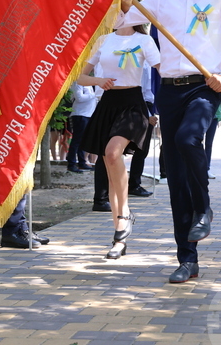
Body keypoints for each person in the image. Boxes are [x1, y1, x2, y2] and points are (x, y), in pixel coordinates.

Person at [118, 0, 221, 283]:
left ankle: (204, 205)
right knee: (176, 178)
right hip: (169, 90)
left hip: (204, 86)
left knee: (188, 138)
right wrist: (125, 1)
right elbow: (124, 20)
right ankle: (188, 259)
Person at [78, 23, 160, 260]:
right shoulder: (103, 39)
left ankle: (124, 216)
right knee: (110, 167)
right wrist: (99, 81)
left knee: (113, 153)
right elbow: (81, 77)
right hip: (107, 104)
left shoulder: (145, 41)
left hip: (133, 103)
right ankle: (119, 234)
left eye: (123, 8)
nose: (119, 14)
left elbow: (164, 69)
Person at [127, 63, 157, 197]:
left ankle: (134, 183)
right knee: (137, 148)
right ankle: (132, 184)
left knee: (143, 149)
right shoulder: (140, 63)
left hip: (148, 105)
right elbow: (140, 90)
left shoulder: (152, 64)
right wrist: (148, 114)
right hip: (139, 105)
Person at [67, 83, 97, 173]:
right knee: (77, 140)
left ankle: (82, 162)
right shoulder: (78, 82)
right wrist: (94, 94)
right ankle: (71, 164)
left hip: (88, 115)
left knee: (83, 141)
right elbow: (79, 98)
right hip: (80, 115)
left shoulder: (88, 84)